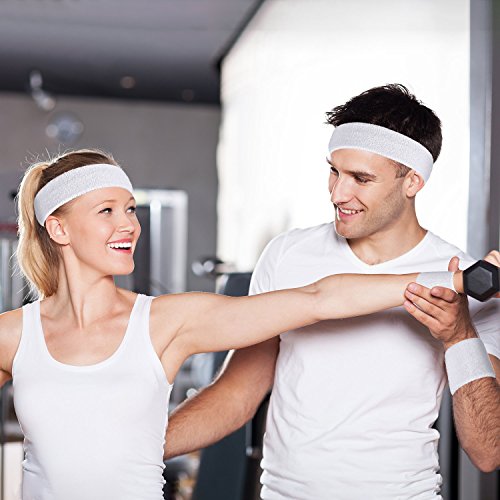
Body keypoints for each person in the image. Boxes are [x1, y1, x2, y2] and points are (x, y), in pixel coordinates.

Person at [0, 149, 482, 500]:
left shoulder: (166, 321)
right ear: (58, 229)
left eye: (130, 209)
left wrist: (459, 278)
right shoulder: (12, 335)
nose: (129, 225)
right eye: (107, 211)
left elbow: (321, 297)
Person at [164, 85, 500, 499]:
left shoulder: (467, 279)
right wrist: (135, 449)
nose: (338, 194)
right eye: (334, 171)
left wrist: (459, 335)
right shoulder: (287, 255)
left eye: (361, 178)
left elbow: (488, 451)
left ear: (413, 181)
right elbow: (237, 393)